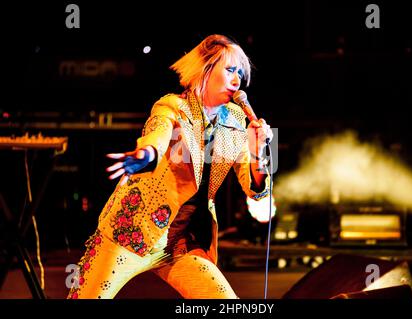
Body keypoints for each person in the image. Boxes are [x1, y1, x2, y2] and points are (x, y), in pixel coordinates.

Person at [67, 34, 273, 299]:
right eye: (230, 70)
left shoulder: (235, 120)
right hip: (132, 233)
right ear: (205, 70)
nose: (237, 80)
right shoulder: (172, 106)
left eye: (240, 73)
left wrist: (258, 153)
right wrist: (146, 155)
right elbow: (158, 135)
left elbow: (256, 190)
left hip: (182, 243)